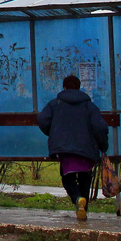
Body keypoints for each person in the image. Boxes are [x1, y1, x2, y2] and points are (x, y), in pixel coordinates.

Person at [37, 74, 109, 221]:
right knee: (85, 178)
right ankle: (83, 209)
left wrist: (54, 133)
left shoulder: (55, 104)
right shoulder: (89, 106)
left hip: (65, 149)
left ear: (64, 87)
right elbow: (100, 127)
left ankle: (77, 199)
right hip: (86, 149)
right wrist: (103, 146)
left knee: (68, 178)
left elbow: (43, 120)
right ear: (79, 87)